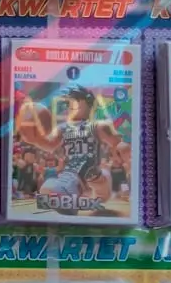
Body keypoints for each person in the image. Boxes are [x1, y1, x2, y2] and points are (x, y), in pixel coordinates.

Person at [15, 83, 121, 216]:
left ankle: (97, 180)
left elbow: (117, 142)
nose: (71, 106)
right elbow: (50, 145)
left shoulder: (96, 126)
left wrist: (117, 153)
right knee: (55, 186)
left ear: (89, 104)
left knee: (102, 194)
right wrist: (35, 139)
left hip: (90, 166)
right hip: (72, 169)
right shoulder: (63, 128)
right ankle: (70, 192)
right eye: (69, 103)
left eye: (76, 102)